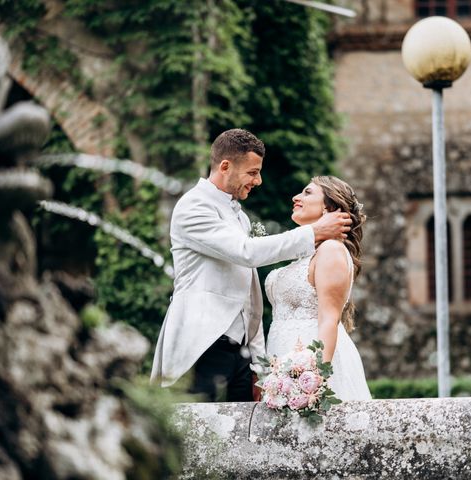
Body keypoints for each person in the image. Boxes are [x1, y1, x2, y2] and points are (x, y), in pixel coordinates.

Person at [150, 129, 351, 402]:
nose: (258, 180)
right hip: (202, 346)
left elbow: (249, 299)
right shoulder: (193, 207)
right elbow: (246, 253)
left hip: (240, 357)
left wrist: (258, 365)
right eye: (252, 172)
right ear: (225, 166)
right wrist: (314, 232)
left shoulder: (241, 219)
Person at [266, 176, 371, 400]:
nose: (296, 197)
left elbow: (329, 319)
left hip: (311, 363)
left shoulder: (331, 249)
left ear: (329, 207)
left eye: (307, 192)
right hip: (282, 361)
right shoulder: (308, 252)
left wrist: (314, 379)